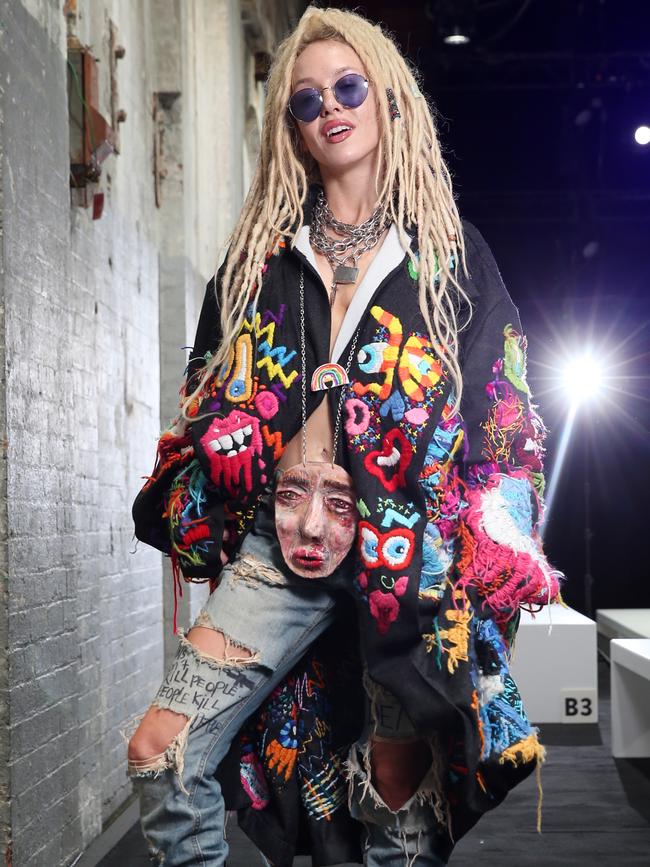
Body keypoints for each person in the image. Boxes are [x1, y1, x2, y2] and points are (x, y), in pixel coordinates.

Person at [123, 6, 563, 866]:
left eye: (349, 87)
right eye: (306, 99)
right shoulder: (259, 259)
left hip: (406, 560)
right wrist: (225, 437)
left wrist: (492, 556)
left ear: (388, 101)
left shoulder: (448, 257)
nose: (331, 107)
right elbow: (204, 398)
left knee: (391, 809)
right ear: (291, 126)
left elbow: (505, 419)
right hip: (281, 546)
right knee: (162, 751)